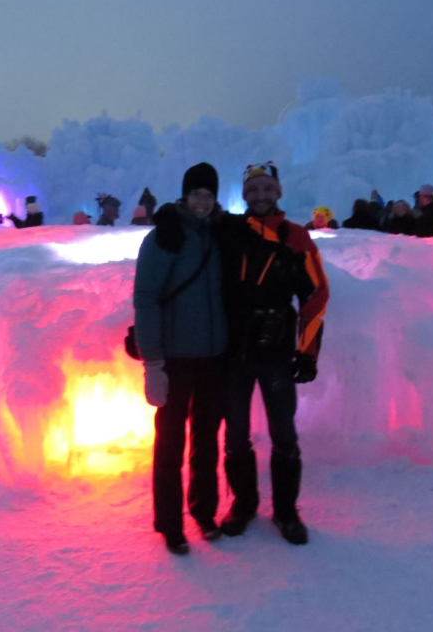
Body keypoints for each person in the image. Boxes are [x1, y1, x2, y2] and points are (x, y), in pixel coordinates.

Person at [217, 161, 329, 545]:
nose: (260, 196)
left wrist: (308, 351)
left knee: (284, 434)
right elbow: (192, 226)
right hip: (233, 352)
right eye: (253, 190)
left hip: (277, 352)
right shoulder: (229, 231)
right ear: (244, 195)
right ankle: (244, 505)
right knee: (234, 436)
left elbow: (315, 293)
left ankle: (285, 511)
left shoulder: (296, 237)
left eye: (267, 189)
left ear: (278, 192)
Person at [133, 163, 228, 555]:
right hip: (174, 358)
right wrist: (153, 362)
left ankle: (204, 512)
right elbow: (146, 299)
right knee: (170, 442)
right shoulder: (164, 237)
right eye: (196, 195)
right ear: (185, 196)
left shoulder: (221, 234)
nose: (202, 202)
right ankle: (170, 522)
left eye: (208, 195)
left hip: (213, 357)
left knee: (206, 440)